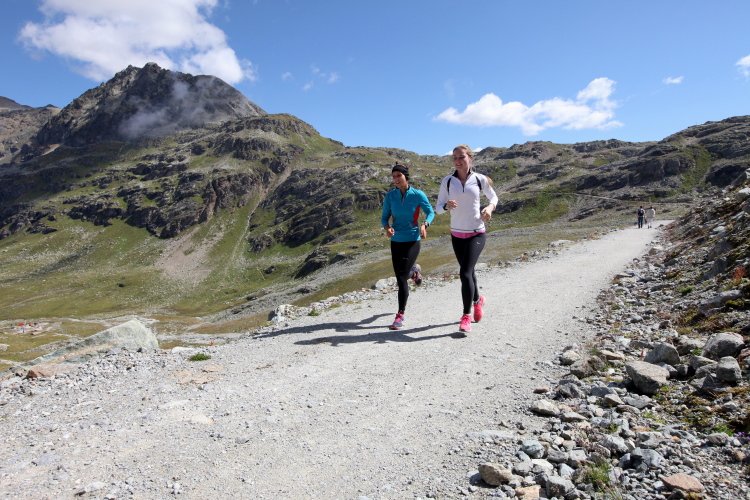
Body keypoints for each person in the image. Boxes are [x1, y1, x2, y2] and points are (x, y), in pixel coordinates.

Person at [436, 145, 498, 334]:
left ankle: (466, 316)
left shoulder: (479, 179)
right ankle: (478, 300)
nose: (457, 160)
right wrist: (446, 206)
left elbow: (494, 198)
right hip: (457, 235)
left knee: (464, 273)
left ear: (470, 158)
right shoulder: (448, 181)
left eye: (461, 157)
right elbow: (438, 208)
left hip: (476, 233)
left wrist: (489, 209)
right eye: (454, 157)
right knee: (469, 271)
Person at [381, 163, 435, 330]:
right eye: (394, 176)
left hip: (412, 239)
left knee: (402, 277)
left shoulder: (417, 195)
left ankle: (400, 315)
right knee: (400, 276)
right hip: (396, 240)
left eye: (399, 176)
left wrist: (425, 224)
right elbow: (384, 218)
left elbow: (430, 212)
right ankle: (415, 273)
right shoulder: (390, 196)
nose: (396, 179)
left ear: (406, 176)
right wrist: (387, 228)